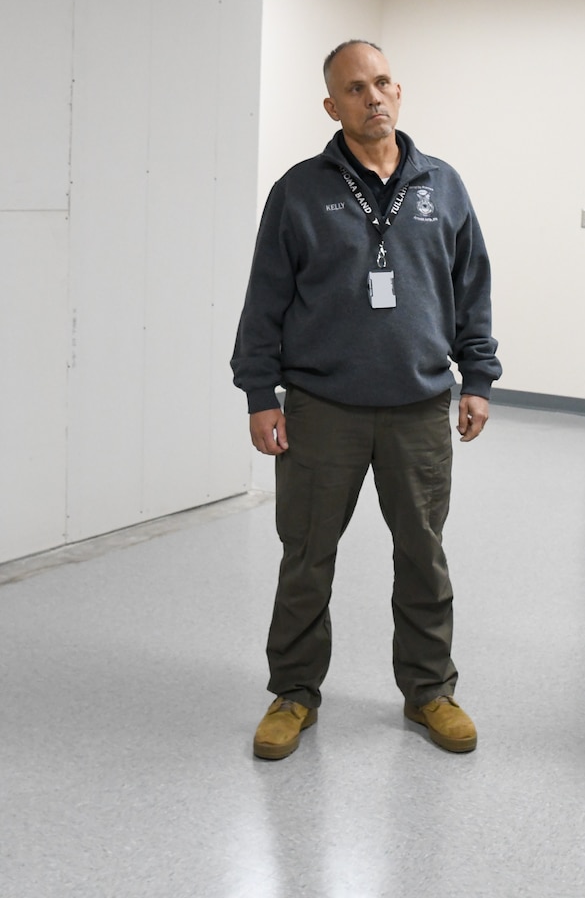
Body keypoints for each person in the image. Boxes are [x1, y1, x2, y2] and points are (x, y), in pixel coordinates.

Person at [232, 39, 500, 760]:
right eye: (355, 88)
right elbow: (265, 299)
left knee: (423, 554)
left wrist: (477, 378)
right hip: (323, 408)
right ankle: (292, 694)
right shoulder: (299, 190)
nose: (372, 97)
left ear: (399, 91)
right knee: (308, 557)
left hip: (418, 408)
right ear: (332, 105)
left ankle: (429, 692)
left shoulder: (441, 186)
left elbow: (471, 289)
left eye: (382, 82)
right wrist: (261, 393)